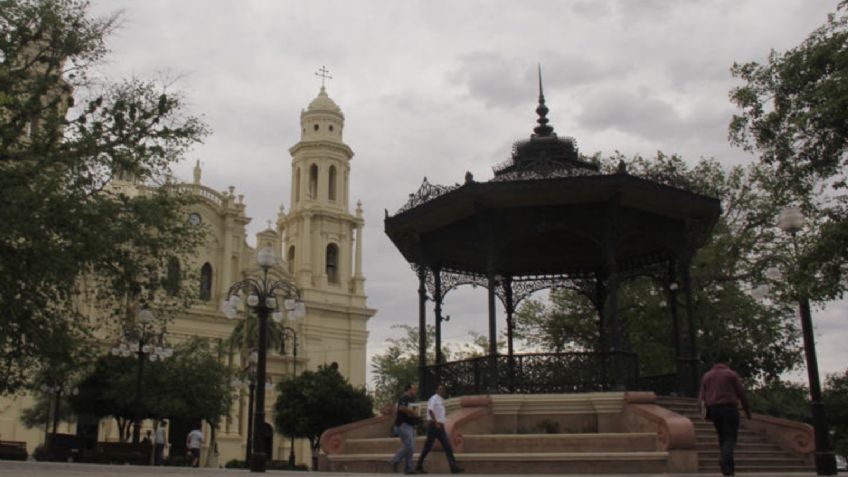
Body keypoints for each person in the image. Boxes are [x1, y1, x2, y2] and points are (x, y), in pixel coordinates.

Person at [698, 359, 751, 476]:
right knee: (730, 437)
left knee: (722, 437)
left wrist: (702, 412)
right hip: (729, 408)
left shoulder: (707, 376)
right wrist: (747, 411)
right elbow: (741, 393)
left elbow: (701, 397)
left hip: (714, 409)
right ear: (727, 363)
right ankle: (724, 460)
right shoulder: (731, 374)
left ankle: (729, 469)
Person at [416, 384, 463, 474]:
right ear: (436, 390)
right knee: (427, 447)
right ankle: (419, 466)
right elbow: (430, 410)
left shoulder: (441, 400)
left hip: (439, 427)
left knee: (447, 446)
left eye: (443, 389)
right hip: (434, 426)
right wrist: (436, 422)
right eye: (440, 389)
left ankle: (453, 467)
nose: (442, 391)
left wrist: (440, 423)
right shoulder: (434, 398)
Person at [390, 384, 419, 474]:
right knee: (409, 446)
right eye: (414, 389)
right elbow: (401, 408)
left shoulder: (412, 399)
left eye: (416, 390)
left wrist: (416, 415)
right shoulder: (404, 397)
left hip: (411, 426)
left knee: (410, 447)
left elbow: (414, 412)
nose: (415, 391)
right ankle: (407, 467)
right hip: (403, 425)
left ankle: (397, 462)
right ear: (409, 390)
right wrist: (412, 411)